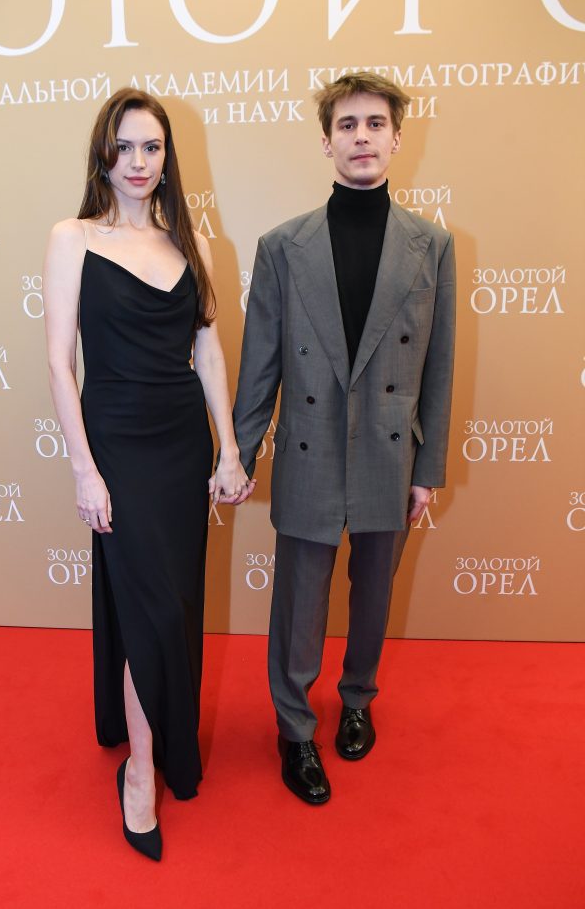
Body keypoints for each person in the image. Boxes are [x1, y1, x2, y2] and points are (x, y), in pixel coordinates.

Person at [232, 73, 456, 804]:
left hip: (391, 450)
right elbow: (261, 360)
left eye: (376, 123)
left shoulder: (433, 245)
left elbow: (440, 364)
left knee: (374, 593)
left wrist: (428, 467)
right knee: (299, 600)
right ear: (326, 141)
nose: (362, 136)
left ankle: (358, 696)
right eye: (348, 124)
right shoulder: (282, 246)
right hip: (310, 445)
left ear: (398, 137)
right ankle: (294, 728)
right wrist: (238, 451)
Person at [43, 87, 253, 859]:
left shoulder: (190, 245)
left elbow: (208, 351)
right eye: (125, 146)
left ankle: (155, 738)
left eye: (152, 147)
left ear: (168, 158)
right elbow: (59, 363)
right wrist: (84, 469)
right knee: (150, 608)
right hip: (117, 445)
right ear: (104, 155)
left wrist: (229, 448)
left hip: (180, 444)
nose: (138, 161)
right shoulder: (72, 237)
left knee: (175, 601)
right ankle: (140, 770)